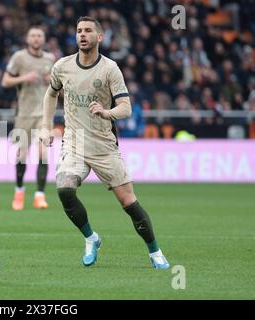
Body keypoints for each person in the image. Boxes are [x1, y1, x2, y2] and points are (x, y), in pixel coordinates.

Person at [40, 16, 169, 269]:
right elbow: (50, 94)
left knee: (128, 202)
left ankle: (155, 252)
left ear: (99, 37)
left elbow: (126, 108)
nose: (82, 35)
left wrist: (107, 112)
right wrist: (45, 127)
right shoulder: (62, 66)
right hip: (74, 142)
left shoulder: (110, 69)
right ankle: (91, 238)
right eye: (78, 31)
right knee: (64, 189)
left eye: (88, 31)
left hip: (103, 145)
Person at [2, 26, 55, 211]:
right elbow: (5, 81)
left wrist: (54, 82)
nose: (36, 39)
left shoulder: (50, 59)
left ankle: (39, 195)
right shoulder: (19, 57)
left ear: (44, 39)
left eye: (39, 35)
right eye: (33, 35)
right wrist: (24, 77)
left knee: (43, 153)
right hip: (24, 113)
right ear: (27, 39)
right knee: (22, 155)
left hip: (44, 114)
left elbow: (60, 89)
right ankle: (19, 192)